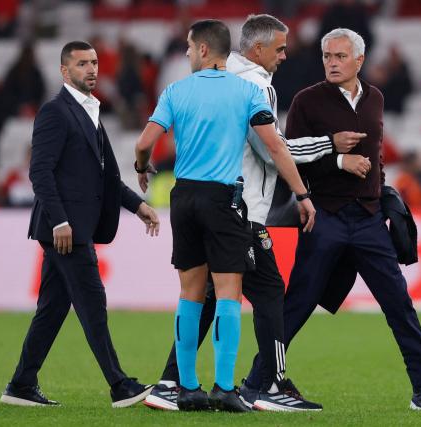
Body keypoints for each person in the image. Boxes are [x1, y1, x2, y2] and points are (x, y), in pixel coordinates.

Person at [143, 14, 370, 413]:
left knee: (206, 295)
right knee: (266, 292)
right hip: (239, 208)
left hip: (196, 199)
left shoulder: (199, 83)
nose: (285, 56)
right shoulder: (251, 85)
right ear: (258, 48)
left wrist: (141, 162)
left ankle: (172, 382)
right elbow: (274, 148)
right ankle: (264, 384)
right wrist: (329, 149)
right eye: (280, 48)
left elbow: (148, 141)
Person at [247, 28, 421, 411]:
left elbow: (377, 154)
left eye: (340, 56)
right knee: (297, 305)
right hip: (325, 217)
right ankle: (256, 383)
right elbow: (292, 158)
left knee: (399, 305)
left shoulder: (376, 98)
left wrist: (381, 192)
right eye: (327, 56)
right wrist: (338, 160)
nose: (332, 63)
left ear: (359, 60)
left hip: (370, 220)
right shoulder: (306, 101)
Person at [0, 41, 160, 408]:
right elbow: (40, 172)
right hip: (65, 231)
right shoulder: (55, 112)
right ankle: (120, 385)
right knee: (91, 302)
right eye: (82, 63)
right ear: (64, 71)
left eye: (95, 62)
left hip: (74, 229)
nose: (91, 69)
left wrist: (138, 207)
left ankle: (22, 384)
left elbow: (105, 179)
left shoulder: (90, 112)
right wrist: (60, 222)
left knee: (53, 308)